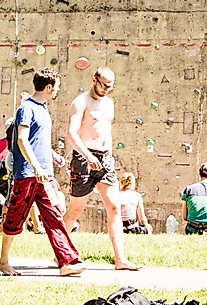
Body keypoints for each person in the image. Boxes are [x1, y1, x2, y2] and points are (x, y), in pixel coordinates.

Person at [0, 67, 85, 277]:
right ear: (48, 87)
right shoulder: (26, 108)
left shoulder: (43, 109)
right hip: (26, 174)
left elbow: (38, 141)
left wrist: (52, 155)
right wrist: (36, 166)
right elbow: (21, 139)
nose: (57, 91)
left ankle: (66, 262)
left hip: (45, 176)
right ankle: (3, 261)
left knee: (54, 216)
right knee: (14, 219)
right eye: (56, 87)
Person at [62, 67, 142, 270]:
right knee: (76, 209)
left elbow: (105, 131)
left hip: (105, 160)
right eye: (104, 85)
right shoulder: (81, 102)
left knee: (114, 207)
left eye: (110, 86)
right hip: (83, 157)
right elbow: (71, 133)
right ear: (94, 80)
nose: (107, 89)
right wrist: (88, 156)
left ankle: (120, 259)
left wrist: (109, 156)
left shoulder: (109, 103)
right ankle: (60, 252)